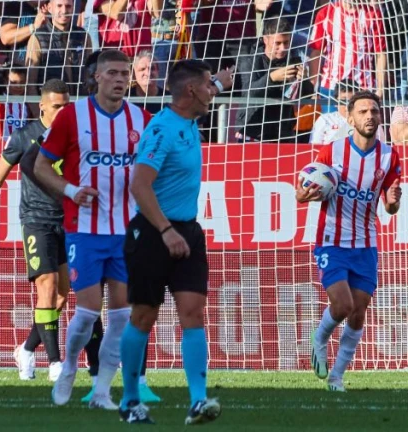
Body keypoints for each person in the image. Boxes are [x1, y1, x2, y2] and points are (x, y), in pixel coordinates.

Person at [118, 59, 233, 424]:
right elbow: (140, 185)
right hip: (154, 232)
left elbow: (206, 87)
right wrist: (166, 231)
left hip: (188, 231)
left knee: (193, 313)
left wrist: (219, 80)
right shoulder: (161, 130)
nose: (213, 93)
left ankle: (198, 401)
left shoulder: (190, 118)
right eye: (208, 86)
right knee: (144, 315)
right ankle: (130, 401)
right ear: (191, 91)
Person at [35, 49, 150, 410]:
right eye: (113, 73)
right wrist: (71, 191)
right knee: (86, 313)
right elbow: (40, 166)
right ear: (97, 77)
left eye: (125, 73)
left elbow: (152, 169)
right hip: (84, 229)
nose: (120, 79)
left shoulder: (142, 119)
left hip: (126, 232)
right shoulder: (73, 116)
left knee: (121, 316)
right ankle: (69, 365)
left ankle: (102, 391)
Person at [302, 91, 402, 392]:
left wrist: (393, 201)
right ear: (350, 117)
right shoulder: (331, 152)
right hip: (332, 240)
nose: (369, 116)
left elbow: (390, 207)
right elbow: (303, 188)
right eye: (362, 111)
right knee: (343, 304)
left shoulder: (389, 156)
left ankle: (337, 377)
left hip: (366, 243)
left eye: (374, 111)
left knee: (359, 312)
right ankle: (320, 337)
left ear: (381, 116)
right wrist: (303, 194)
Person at [0, 79, 69, 382]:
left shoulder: (75, 136)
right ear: (42, 106)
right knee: (47, 285)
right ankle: (55, 363)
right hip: (36, 220)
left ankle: (26, 349)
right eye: (56, 106)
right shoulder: (23, 137)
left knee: (62, 296)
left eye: (66, 106)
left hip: (68, 222)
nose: (62, 112)